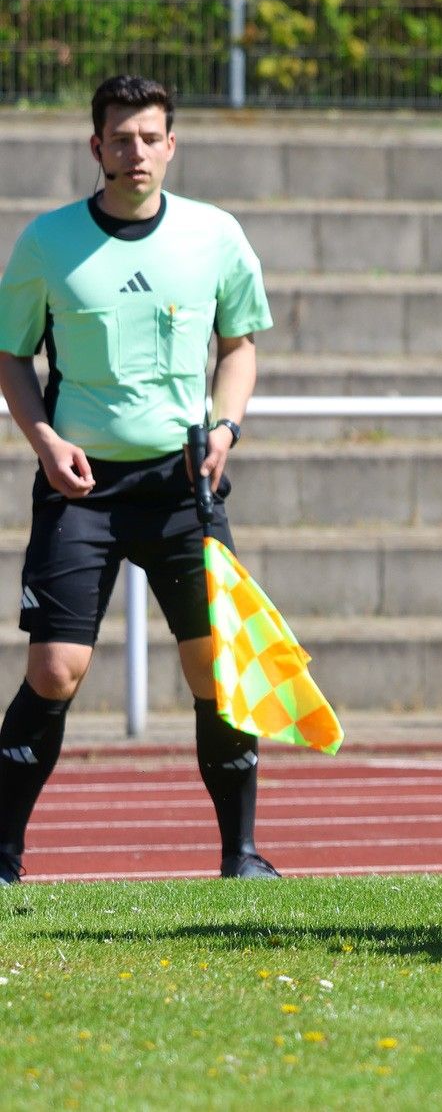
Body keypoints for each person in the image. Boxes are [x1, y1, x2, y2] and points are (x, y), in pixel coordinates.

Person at [0, 75, 275, 884]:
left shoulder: (215, 235)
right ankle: (3, 859)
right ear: (97, 148)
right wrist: (46, 441)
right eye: (120, 138)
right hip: (80, 487)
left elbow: (239, 346)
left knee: (214, 666)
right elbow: (12, 356)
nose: (135, 152)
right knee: (54, 671)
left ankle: (242, 856)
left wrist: (225, 426)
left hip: (182, 486)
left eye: (150, 137)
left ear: (171, 144)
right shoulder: (46, 243)